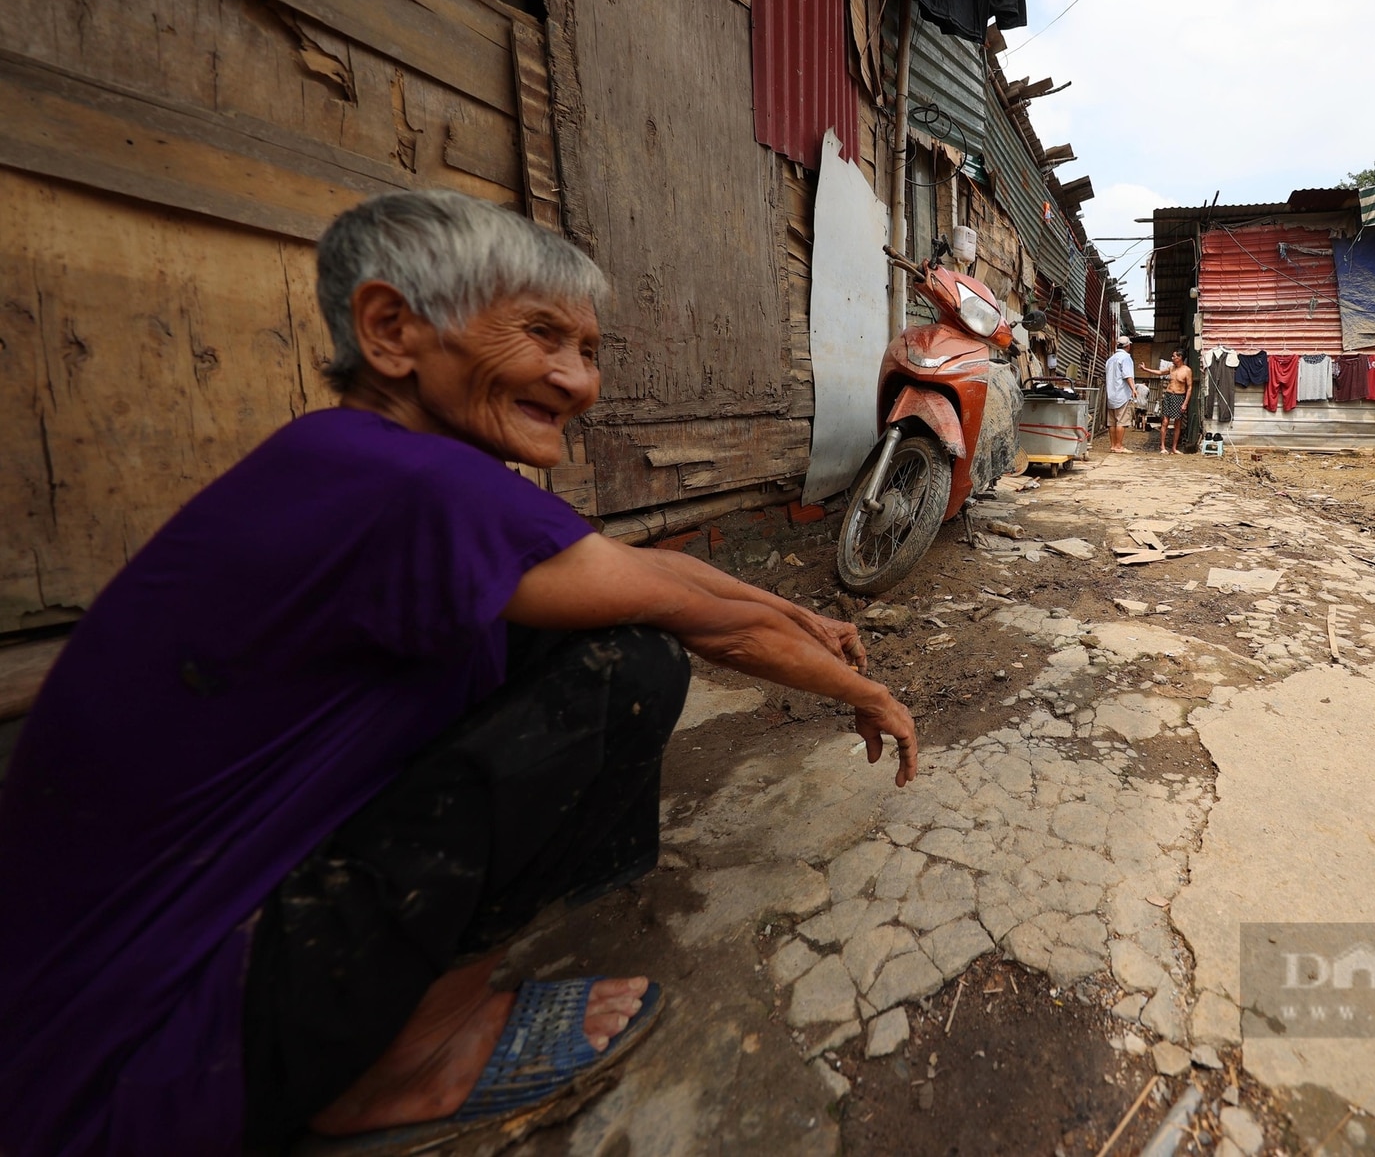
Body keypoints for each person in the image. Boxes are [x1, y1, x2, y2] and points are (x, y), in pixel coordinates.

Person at [0, 190, 920, 1155]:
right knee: (625, 668)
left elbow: (643, 572)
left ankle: (386, 1016)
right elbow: (676, 609)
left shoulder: (360, 460)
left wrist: (801, 615)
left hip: (129, 992)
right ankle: (407, 1057)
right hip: (156, 1059)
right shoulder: (413, 485)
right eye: (540, 335)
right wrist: (863, 692)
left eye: (590, 351)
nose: (578, 381)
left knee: (591, 630)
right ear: (392, 330)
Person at [1154, 349, 1194, 454]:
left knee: (1178, 423)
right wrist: (1145, 369)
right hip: (1168, 395)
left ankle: (1174, 448)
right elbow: (1160, 372)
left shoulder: (1187, 370)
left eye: (1174, 356)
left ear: (1179, 357)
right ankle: (1162, 446)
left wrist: (1185, 403)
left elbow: (1189, 387)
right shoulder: (1171, 368)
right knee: (1165, 422)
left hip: (1179, 396)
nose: (1172, 358)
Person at [1104, 336, 1137, 453]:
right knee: (1121, 421)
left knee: (1112, 422)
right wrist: (1133, 389)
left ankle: (1113, 445)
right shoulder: (1126, 358)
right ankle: (1119, 446)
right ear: (1128, 346)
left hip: (1111, 395)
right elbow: (1128, 375)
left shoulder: (1110, 359)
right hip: (1121, 394)